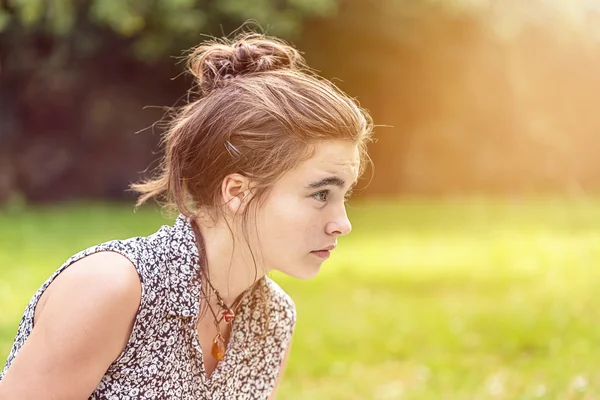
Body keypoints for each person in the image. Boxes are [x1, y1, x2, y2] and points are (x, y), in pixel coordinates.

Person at [0, 32, 373, 399]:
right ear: (237, 192)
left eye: (344, 196)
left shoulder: (272, 319)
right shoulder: (110, 288)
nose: (342, 223)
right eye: (321, 193)